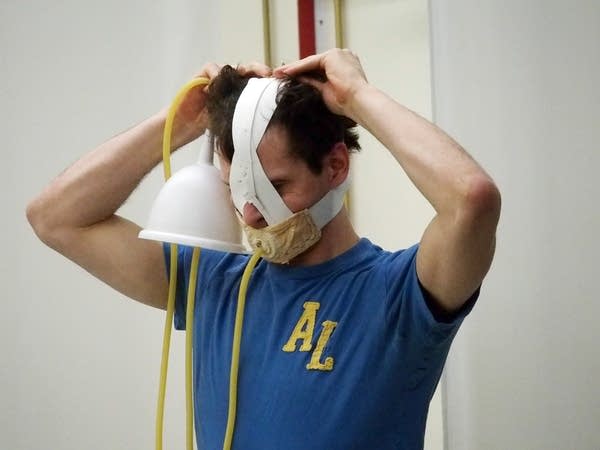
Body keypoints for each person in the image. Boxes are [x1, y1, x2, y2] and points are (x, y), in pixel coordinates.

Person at [26, 49, 501, 449]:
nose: (251, 213)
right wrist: (184, 122)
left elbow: (471, 200)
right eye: (238, 186)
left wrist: (359, 97)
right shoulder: (213, 280)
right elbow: (55, 216)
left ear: (336, 166)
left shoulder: (398, 296)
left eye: (277, 185)